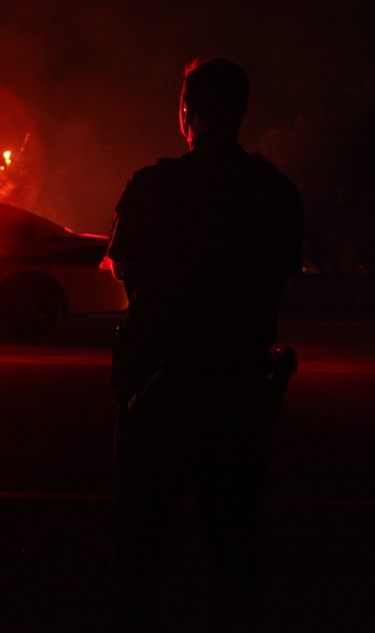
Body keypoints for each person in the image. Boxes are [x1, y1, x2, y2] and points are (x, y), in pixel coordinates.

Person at [105, 58, 304, 631]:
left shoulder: (152, 186)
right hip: (237, 396)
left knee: (138, 554)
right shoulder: (274, 193)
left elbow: (123, 268)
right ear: (242, 111)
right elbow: (276, 279)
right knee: (234, 554)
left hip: (155, 397)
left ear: (186, 111)